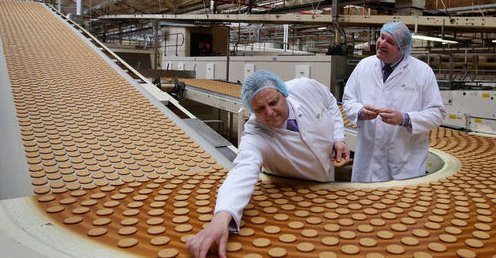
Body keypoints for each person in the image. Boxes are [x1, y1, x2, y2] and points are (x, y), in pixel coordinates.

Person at [186, 70, 350, 258]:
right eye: (260, 109)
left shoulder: (305, 88)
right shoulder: (256, 133)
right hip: (295, 195)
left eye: (273, 103)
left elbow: (329, 102)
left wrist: (339, 138)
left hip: (328, 182)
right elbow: (243, 171)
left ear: (284, 93)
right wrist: (221, 219)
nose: (270, 113)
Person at [342, 21, 445, 183]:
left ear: (402, 49)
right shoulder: (364, 66)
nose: (382, 43)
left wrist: (405, 119)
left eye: (390, 42)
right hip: (367, 162)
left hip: (404, 162)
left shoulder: (422, 72)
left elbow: (437, 113)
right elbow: (348, 100)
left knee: (400, 206)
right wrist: (360, 112)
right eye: (382, 37)